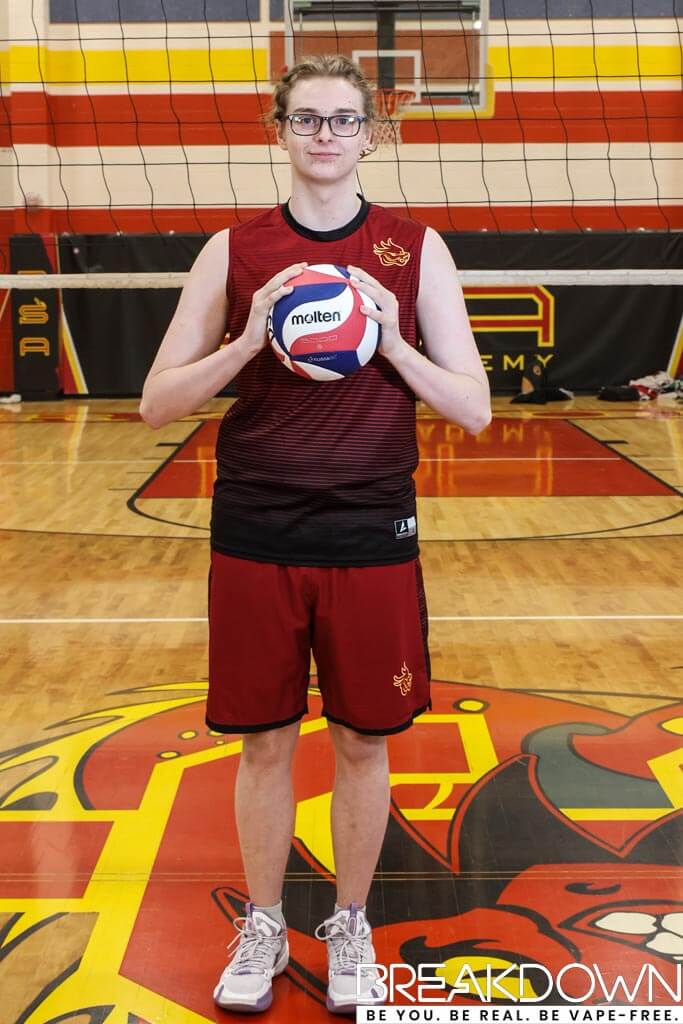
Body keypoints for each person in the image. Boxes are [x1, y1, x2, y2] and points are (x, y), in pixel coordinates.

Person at [140, 54, 491, 1015]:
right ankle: (261, 923)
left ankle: (350, 925)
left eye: (342, 120)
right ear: (279, 130)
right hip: (257, 528)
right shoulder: (234, 250)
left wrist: (393, 339)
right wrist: (249, 339)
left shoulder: (414, 249)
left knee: (362, 743)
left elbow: (473, 410)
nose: (324, 135)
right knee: (261, 745)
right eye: (306, 119)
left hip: (370, 531)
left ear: (370, 134)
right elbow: (155, 404)